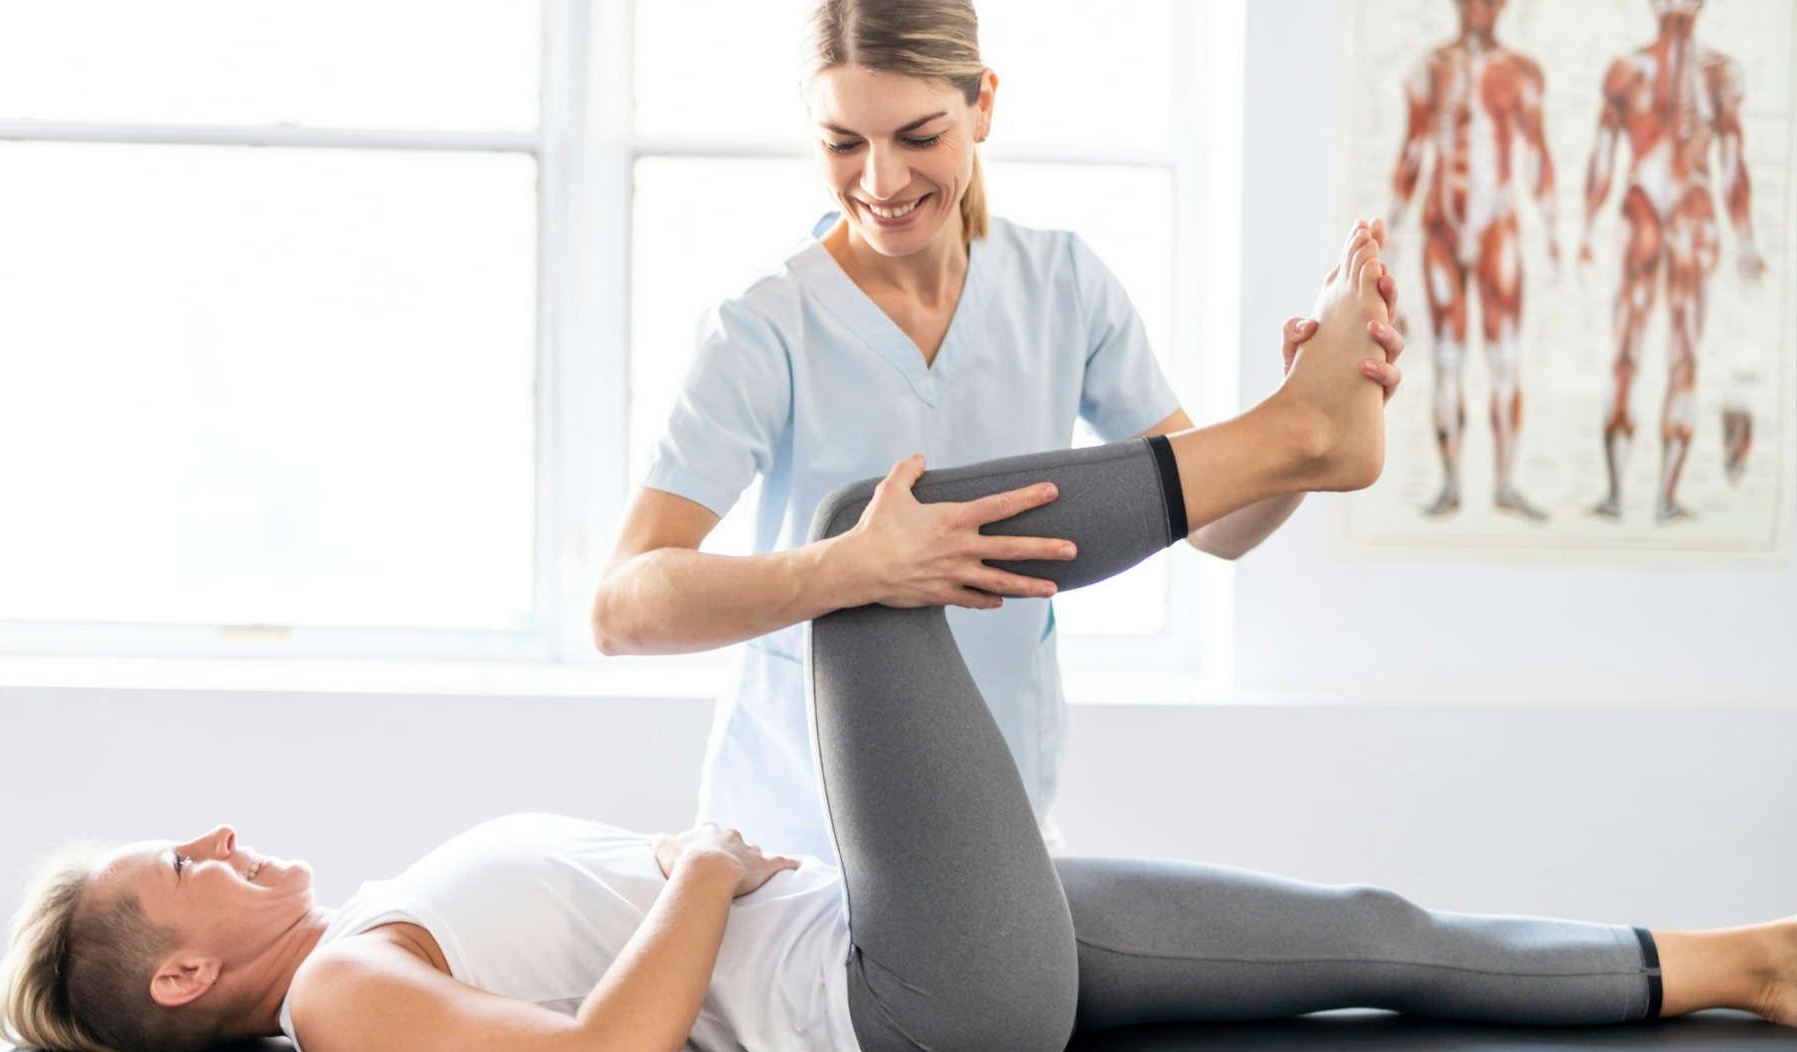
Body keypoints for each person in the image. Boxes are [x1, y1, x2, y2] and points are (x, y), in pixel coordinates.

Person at [0, 228, 1797, 1052]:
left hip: (916, 938)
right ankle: (1291, 438)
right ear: (182, 974)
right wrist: (701, 874)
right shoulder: (335, 996)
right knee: (869, 534)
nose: (217, 837)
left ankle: (1743, 961)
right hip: (904, 996)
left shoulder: (373, 924)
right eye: (181, 863)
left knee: (1361, 930)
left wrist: (695, 883)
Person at [591, 0, 1407, 865]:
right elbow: (620, 607)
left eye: (918, 136)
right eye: (843, 143)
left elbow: (1217, 529)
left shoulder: (1063, 285)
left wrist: (1298, 461)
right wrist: (850, 568)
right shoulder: (765, 326)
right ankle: (1298, 428)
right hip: (795, 842)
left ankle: (1299, 431)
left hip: (1000, 833)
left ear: (982, 105)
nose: (881, 180)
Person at [1580, 0, 1766, 522]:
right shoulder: (1629, 70)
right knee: (1631, 347)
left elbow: (1732, 159)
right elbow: (1602, 155)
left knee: (1679, 352)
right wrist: (1588, 229)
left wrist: (1746, 237)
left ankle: (1659, 495)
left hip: (1689, 212)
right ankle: (1623, 493)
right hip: (1647, 210)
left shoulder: (1717, 73)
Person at [1389, 0, 1558, 520]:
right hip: (1441, 225)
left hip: (1496, 229)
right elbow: (1412, 153)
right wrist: (1390, 241)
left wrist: (1553, 231)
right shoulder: (1431, 67)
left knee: (1504, 358)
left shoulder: (1522, 72)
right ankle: (1451, 483)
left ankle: (1505, 482)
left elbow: (1536, 154)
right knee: (1448, 358)